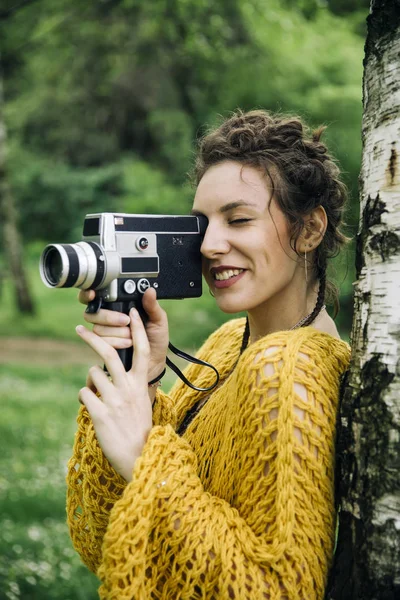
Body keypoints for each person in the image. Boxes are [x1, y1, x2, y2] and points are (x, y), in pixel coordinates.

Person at [67, 109, 351, 599]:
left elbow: (277, 589)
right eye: (201, 225)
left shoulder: (289, 368)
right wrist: (146, 377)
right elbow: (107, 537)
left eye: (238, 219)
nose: (212, 245)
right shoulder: (229, 342)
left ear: (308, 230)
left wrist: (142, 456)